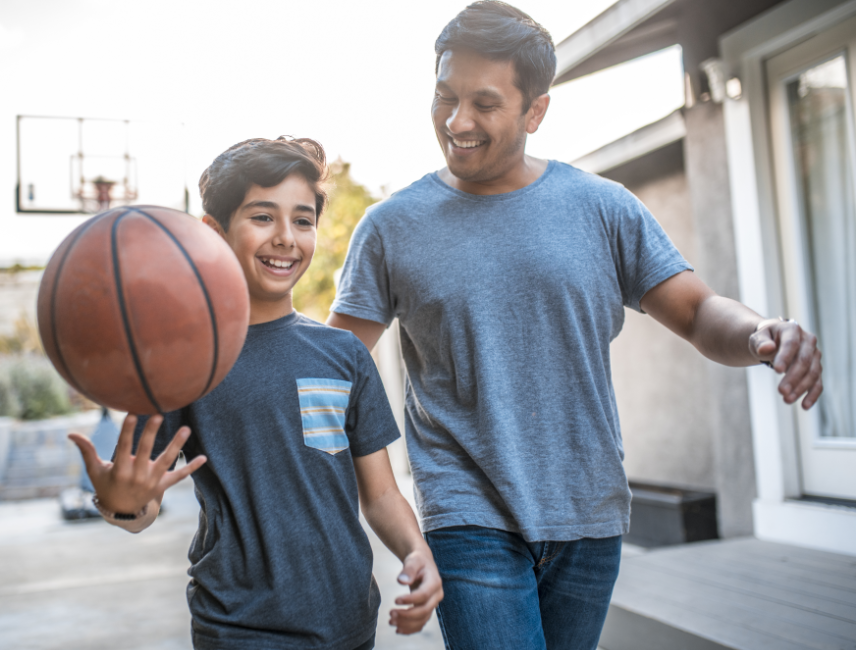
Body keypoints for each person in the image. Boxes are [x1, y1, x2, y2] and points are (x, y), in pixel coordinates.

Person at [326, 3, 824, 649]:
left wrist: (763, 332)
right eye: (444, 97)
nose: (456, 121)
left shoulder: (603, 208)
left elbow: (699, 312)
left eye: (483, 102)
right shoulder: (392, 228)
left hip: (587, 515)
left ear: (536, 111)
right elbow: (335, 367)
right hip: (465, 516)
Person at [70, 136, 443, 650]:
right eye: (263, 217)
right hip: (238, 628)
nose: (287, 237)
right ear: (213, 233)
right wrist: (122, 503)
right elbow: (137, 502)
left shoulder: (344, 355)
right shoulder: (182, 361)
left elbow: (379, 494)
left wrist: (415, 552)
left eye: (304, 220)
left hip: (349, 623)